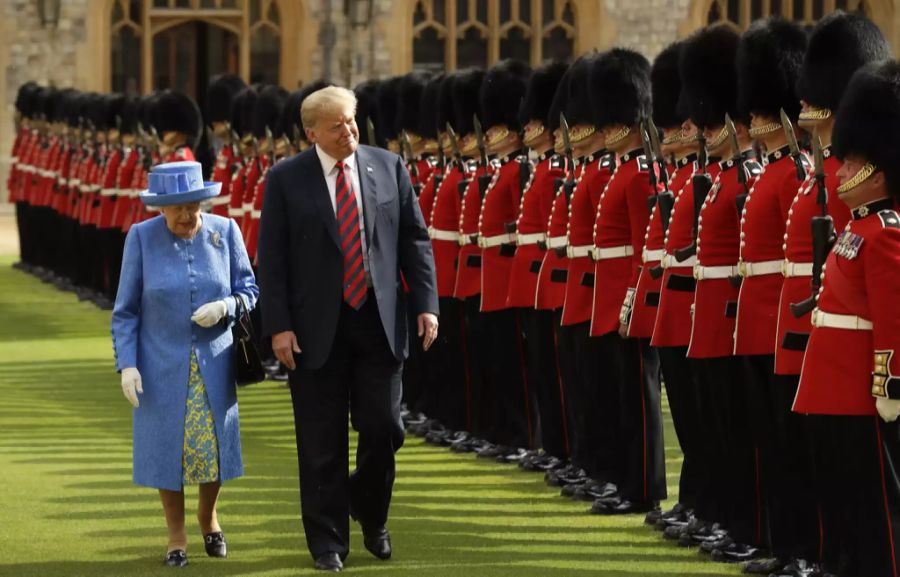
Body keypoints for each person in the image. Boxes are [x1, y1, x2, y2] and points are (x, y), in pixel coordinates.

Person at [256, 86, 439, 573]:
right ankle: (327, 542)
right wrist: (278, 327)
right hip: (315, 328)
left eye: (352, 121)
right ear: (311, 132)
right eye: (337, 126)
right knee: (321, 441)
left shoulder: (388, 166)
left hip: (379, 322)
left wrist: (426, 305)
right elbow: (271, 261)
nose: (348, 132)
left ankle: (369, 509)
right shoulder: (285, 179)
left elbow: (413, 240)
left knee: (384, 427)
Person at [111, 160, 259, 567]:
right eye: (176, 207)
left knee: (212, 448)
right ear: (160, 207)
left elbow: (249, 287)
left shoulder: (225, 230)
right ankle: (176, 534)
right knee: (168, 450)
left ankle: (208, 516)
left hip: (215, 360)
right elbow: (125, 311)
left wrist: (226, 305)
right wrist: (128, 364)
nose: (186, 214)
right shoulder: (141, 238)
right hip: (160, 364)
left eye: (193, 204)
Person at [793, 59, 900, 577]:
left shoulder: (885, 231)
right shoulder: (857, 229)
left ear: (879, 172)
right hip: (830, 382)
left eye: (854, 161)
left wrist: (888, 384)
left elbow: (892, 317)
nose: (843, 168)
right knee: (840, 492)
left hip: (860, 387)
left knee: (875, 501)